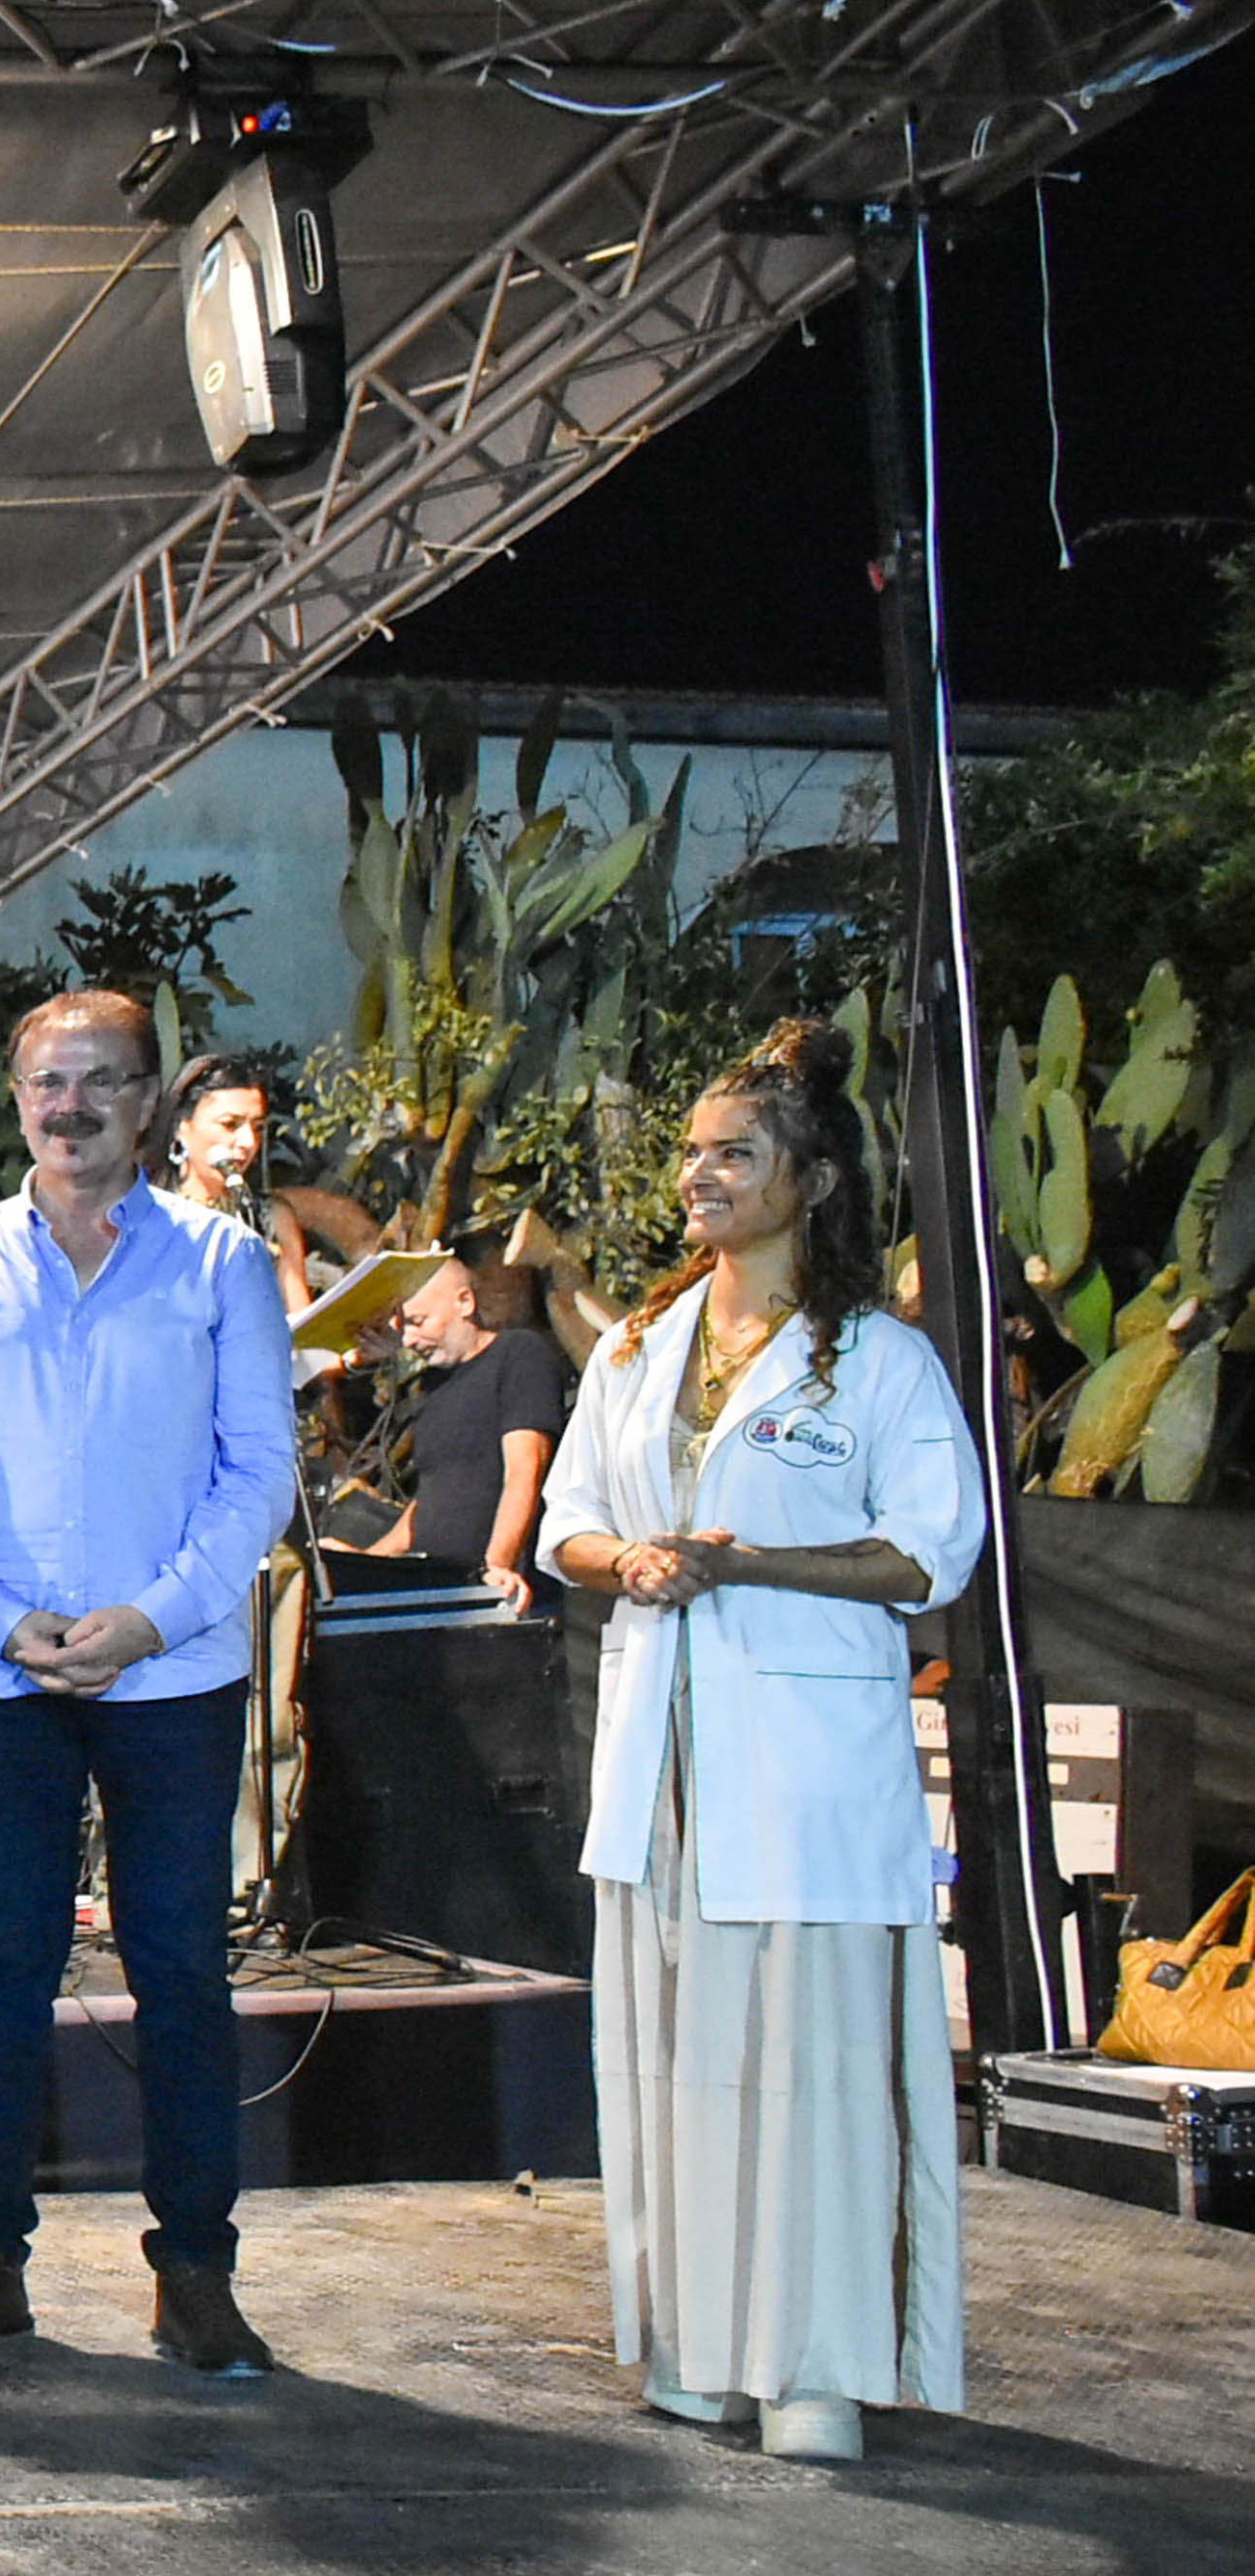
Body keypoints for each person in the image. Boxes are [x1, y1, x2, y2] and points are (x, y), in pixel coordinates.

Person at [540, 1020, 983, 2465]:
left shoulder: (880, 1364)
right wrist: (630, 1559)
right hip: (662, 1771)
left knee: (811, 2073)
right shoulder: (634, 1349)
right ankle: (696, 2351)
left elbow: (930, 1553)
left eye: (735, 1154)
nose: (701, 1175)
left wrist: (748, 1566)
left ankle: (814, 2370)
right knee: (674, 2064)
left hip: (802, 1776)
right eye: (692, 1153)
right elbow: (565, 1527)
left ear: (813, 1181)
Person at [0, 988, 297, 2377]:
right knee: (4, 1968)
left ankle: (195, 2276)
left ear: (148, 1100)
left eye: (101, 1080)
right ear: (17, 1101)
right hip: (2, 1676)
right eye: (47, 1083)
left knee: (180, 1972)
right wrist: (3, 1624)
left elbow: (259, 1471)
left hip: (172, 1675)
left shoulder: (222, 1263)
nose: (70, 1107)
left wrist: (148, 1620)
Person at [370, 1251, 570, 1611]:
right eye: (404, 1328)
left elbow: (525, 1470)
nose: (409, 1340)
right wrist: (368, 1560)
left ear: (464, 1302)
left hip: (501, 1593)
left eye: (418, 1321)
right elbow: (432, 1499)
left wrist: (498, 1567)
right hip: (436, 1589)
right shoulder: (432, 1386)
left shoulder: (518, 1355)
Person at [164, 1052, 314, 1318]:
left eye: (258, 1127)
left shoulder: (269, 1217)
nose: (248, 1142)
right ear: (181, 1126)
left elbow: (304, 1326)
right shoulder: (148, 1214)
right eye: (230, 1125)